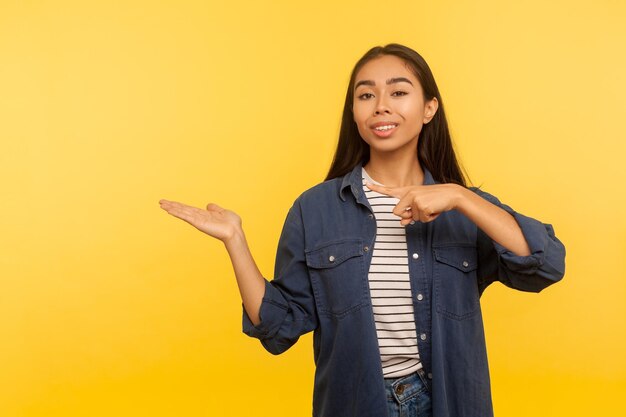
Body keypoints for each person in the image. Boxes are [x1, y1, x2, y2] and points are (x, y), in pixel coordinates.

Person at [159, 43, 566, 417]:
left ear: (429, 108)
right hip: (356, 402)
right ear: (354, 112)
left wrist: (460, 197)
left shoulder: (461, 207)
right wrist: (235, 240)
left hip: (448, 400)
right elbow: (279, 327)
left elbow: (544, 264)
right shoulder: (314, 209)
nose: (380, 106)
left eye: (398, 92)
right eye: (366, 95)